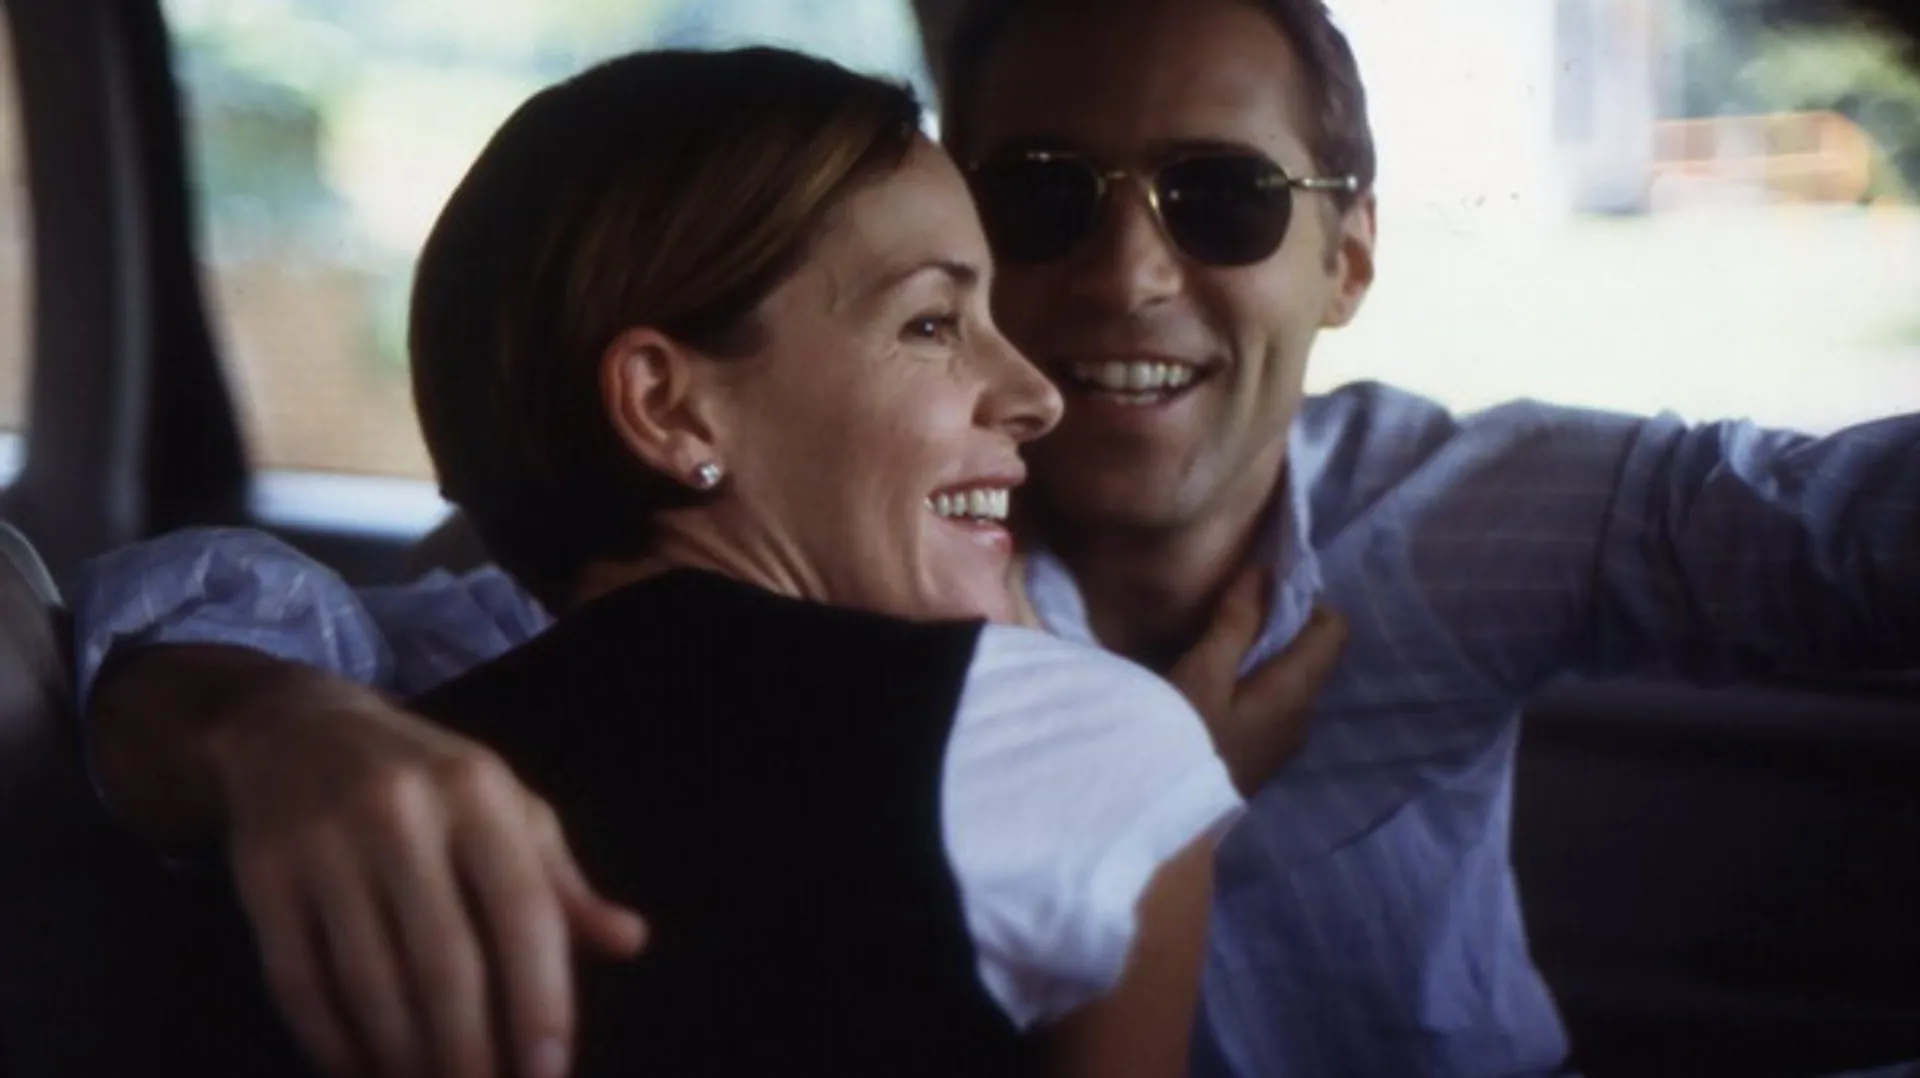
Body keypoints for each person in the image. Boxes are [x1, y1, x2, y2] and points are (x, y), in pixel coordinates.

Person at [73, 0, 1920, 1075]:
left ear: (1347, 254)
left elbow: (1850, 535)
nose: (1122, 275)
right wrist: (265, 725)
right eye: (1036, 202)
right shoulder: (778, 544)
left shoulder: (1488, 508)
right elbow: (280, 615)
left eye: (1221, 196)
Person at [76, 40, 1271, 1078]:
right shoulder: (1084, 749)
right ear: (667, 404)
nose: (1034, 395)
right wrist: (1144, 790)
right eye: (929, 324)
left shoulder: (344, 778)